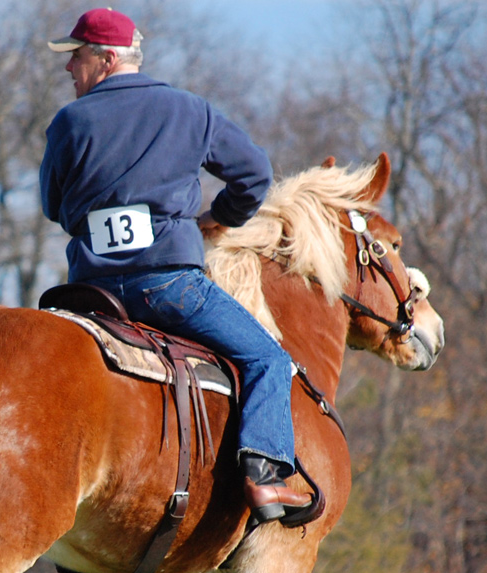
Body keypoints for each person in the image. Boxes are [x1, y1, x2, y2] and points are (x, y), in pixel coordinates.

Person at [40, 7, 311, 523]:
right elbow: (253, 173)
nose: (68, 68)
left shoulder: (68, 123)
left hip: (91, 293)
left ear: (106, 58)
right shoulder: (189, 110)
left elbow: (53, 207)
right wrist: (219, 218)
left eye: (75, 57)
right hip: (170, 287)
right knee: (268, 360)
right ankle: (264, 475)